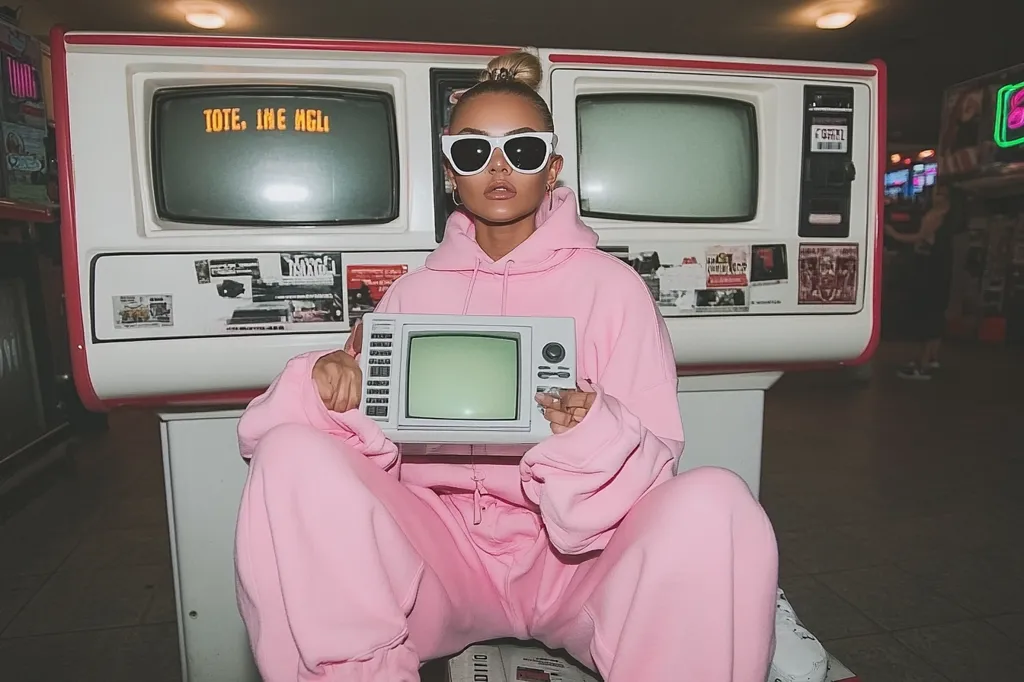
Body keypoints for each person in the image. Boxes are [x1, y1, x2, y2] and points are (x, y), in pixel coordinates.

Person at [234, 51, 783, 682]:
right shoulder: (412, 293)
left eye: (522, 150)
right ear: (450, 172)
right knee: (289, 452)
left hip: (574, 566)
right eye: (473, 151)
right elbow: (349, 448)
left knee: (717, 498)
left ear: (552, 167)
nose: (498, 167)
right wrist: (328, 383)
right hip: (440, 562)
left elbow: (656, 466)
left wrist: (595, 431)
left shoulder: (614, 289)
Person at [885, 184, 957, 379]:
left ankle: (922, 365)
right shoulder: (950, 217)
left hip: (930, 270)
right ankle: (931, 358)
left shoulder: (935, 215)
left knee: (927, 315)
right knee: (936, 314)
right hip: (942, 269)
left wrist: (893, 233)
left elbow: (920, 237)